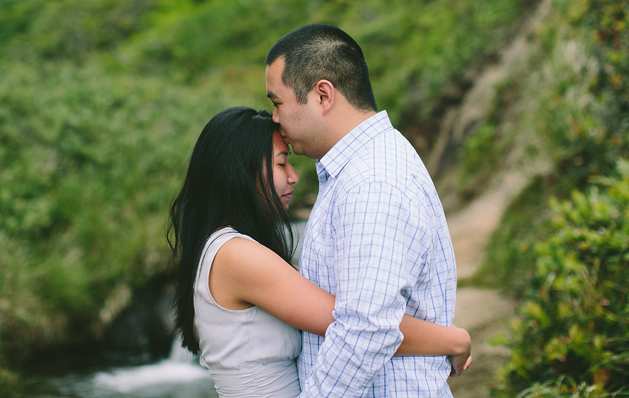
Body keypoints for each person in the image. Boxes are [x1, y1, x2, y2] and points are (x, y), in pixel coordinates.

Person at [167, 106, 471, 398]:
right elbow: (355, 323)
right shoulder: (236, 256)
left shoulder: (225, 248)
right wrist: (453, 340)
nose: (294, 176)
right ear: (239, 170)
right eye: (281, 162)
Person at [265, 24, 460, 397]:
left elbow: (366, 329)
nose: (275, 118)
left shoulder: (372, 181)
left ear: (323, 95)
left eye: (278, 103)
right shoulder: (364, 168)